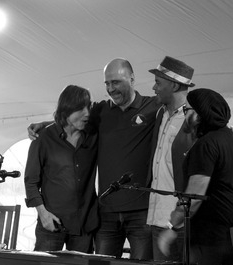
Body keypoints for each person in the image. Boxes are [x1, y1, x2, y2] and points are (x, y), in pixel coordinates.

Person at [27, 58, 160, 260]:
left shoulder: (153, 106)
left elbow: (180, 103)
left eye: (116, 82)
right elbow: (72, 117)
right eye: (107, 83)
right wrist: (45, 125)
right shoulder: (101, 111)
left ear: (132, 79)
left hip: (136, 212)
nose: (110, 88)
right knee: (99, 263)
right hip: (102, 214)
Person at [146, 56, 233, 262]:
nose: (153, 87)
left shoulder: (204, 139)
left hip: (200, 229)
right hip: (215, 228)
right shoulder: (159, 114)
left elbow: (195, 193)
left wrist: (173, 225)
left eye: (158, 82)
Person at [158, 88, 233, 265]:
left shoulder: (205, 145)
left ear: (199, 115)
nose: (184, 115)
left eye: (186, 110)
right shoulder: (230, 139)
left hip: (208, 239)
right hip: (227, 233)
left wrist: (171, 227)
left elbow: (194, 196)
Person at [24, 85, 99, 252]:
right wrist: (43, 214)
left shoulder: (94, 135)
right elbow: (31, 182)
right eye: (81, 108)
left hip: (84, 225)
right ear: (67, 109)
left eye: (88, 106)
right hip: (51, 223)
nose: (87, 113)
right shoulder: (43, 138)